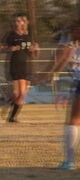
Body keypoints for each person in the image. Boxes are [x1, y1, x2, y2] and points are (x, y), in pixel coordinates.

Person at [48, 22, 80, 170]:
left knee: (73, 121)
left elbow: (62, 61)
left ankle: (69, 161)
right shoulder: (74, 47)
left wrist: (52, 73)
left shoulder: (72, 48)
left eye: (73, 30)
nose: (71, 34)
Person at [3, 13, 39, 123]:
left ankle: (12, 117)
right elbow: (2, 49)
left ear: (24, 22)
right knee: (15, 93)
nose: (17, 23)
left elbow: (33, 55)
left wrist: (35, 49)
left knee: (22, 94)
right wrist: (10, 48)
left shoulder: (28, 36)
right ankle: (11, 104)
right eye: (15, 21)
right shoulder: (11, 35)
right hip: (14, 65)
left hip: (25, 66)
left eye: (19, 21)